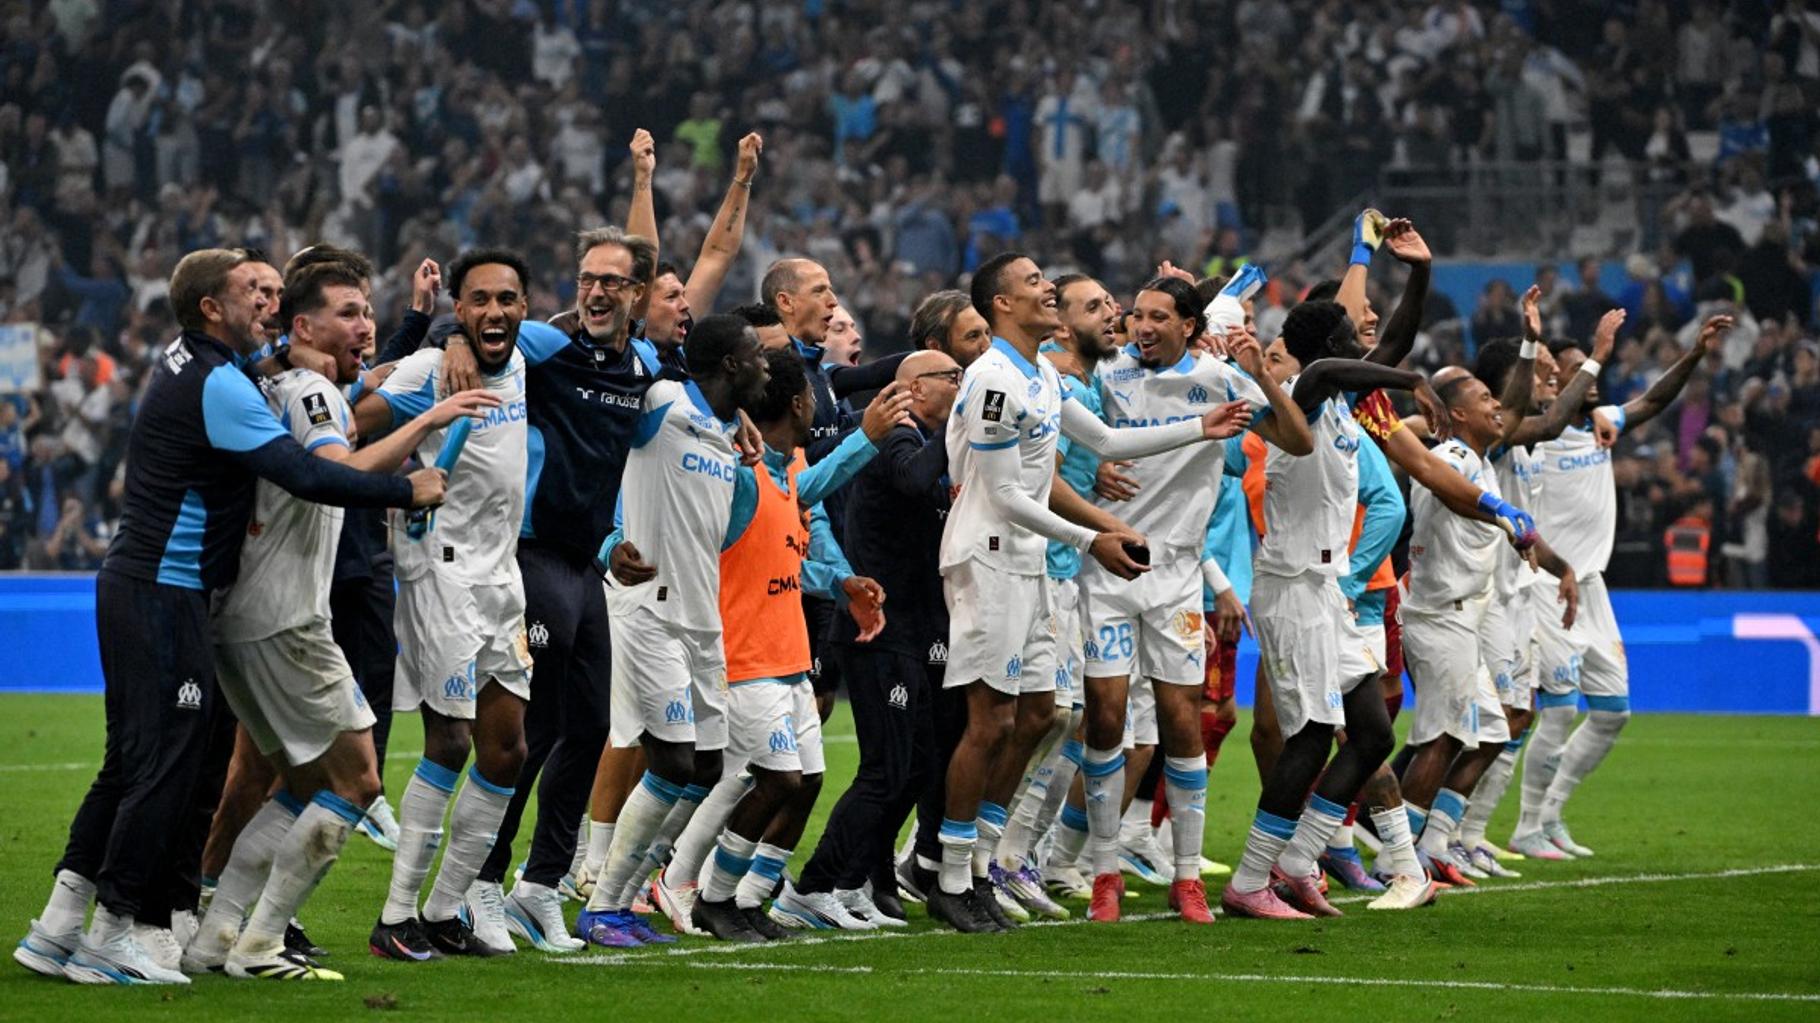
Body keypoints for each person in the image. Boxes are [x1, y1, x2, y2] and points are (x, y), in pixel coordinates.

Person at [17, 248, 438, 987]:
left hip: (146, 584)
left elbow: (306, 366)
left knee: (132, 764)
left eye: (278, 293)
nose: (270, 307)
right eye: (255, 293)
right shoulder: (222, 384)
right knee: (167, 771)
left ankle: (60, 923)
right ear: (213, 306)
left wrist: (409, 330)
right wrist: (409, 491)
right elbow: (310, 472)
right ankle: (119, 930)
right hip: (165, 589)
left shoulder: (197, 360)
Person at [181, 260, 498, 980]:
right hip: (286, 617)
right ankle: (260, 943)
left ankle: (216, 936)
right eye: (350, 312)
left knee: (297, 783)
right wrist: (427, 428)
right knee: (358, 780)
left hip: (250, 614)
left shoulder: (286, 386)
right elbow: (340, 465)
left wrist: (431, 333)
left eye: (368, 311)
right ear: (303, 326)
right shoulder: (312, 388)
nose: (366, 324)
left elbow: (351, 420)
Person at [925, 251, 1252, 933]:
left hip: (1031, 563)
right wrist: (1091, 538)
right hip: (987, 557)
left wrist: (1203, 426)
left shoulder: (1040, 372)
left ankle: (983, 867)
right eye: (1034, 282)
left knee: (1035, 715)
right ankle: (950, 875)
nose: (1048, 288)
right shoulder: (991, 380)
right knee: (989, 723)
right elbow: (1007, 492)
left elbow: (1105, 439)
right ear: (1003, 306)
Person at [1222, 295, 1493, 921]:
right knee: (1313, 736)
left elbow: (1386, 349)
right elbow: (1332, 370)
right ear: (1328, 344)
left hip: (1327, 589)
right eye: (1348, 335)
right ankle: (1250, 879)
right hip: (1292, 587)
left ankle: (1299, 861)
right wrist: (1413, 381)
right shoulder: (1302, 389)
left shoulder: (1345, 406)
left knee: (1372, 732)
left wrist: (1420, 276)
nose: (1360, 344)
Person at [1076, 276, 1313, 925]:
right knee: (1106, 717)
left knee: (1183, 722)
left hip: (1176, 572)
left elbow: (1299, 440)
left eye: (1158, 317)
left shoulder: (1219, 376)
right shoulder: (1109, 372)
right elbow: (1069, 436)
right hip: (1108, 565)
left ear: (1188, 324)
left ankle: (1187, 876)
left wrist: (1262, 375)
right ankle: (1104, 870)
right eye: (1138, 315)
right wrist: (1089, 465)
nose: (1142, 326)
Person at [358, 248, 543, 961]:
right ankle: (395, 917)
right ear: (458, 308)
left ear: (525, 307)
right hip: (440, 569)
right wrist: (405, 476)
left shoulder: (526, 359)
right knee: (451, 740)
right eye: (478, 302)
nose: (495, 311)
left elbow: (608, 317)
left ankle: (442, 911)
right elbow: (348, 429)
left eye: (507, 298)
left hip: (503, 576)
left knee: (507, 749)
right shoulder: (426, 371)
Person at [689, 349, 902, 940]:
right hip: (746, 656)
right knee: (776, 779)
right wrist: (867, 438)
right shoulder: (740, 475)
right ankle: (713, 895)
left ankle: (752, 900)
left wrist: (840, 580)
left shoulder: (783, 473)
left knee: (807, 780)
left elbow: (788, 548)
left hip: (788, 657)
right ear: (798, 402)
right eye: (812, 396)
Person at [576, 314, 772, 949]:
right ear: (731, 366)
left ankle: (630, 885)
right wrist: (608, 541)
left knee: (711, 765)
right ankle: (605, 901)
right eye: (757, 355)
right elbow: (602, 450)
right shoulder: (661, 401)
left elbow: (725, 529)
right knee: (673, 756)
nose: (767, 365)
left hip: (701, 618)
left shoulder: (728, 436)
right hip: (647, 608)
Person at [1512, 314, 1733, 859]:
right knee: (1559, 710)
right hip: (1546, 582)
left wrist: (1696, 352)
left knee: (1613, 710)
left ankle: (1552, 814)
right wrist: (1596, 351)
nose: (1579, 382)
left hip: (1592, 585)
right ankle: (1523, 828)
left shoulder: (1601, 422)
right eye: (1566, 373)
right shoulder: (1534, 434)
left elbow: (1654, 402)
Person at [793, 350, 961, 923]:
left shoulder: (926, 439)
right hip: (877, 628)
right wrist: (966, 419)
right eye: (952, 379)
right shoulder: (896, 436)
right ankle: (814, 885)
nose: (962, 386)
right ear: (914, 387)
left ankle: (847, 882)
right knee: (887, 768)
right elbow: (915, 481)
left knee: (911, 767)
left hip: (912, 626)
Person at [1395, 366, 1579, 888]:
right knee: (1442, 737)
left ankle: (1433, 844)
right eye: (1483, 398)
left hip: (1466, 615)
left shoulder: (1478, 462)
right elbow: (1448, 490)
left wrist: (1549, 556)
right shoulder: (1452, 458)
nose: (1495, 405)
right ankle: (1397, 855)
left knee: (1494, 731)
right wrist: (1497, 514)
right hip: (1439, 613)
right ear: (1457, 414)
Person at [992, 273, 1119, 913]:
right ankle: (974, 853)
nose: (1112, 313)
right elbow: (1035, 484)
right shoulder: (1050, 384)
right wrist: (1105, 525)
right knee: (1030, 717)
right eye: (1095, 306)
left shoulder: (1083, 384)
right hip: (1036, 563)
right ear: (1064, 325)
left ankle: (1017, 856)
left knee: (1066, 719)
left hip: (1067, 570)